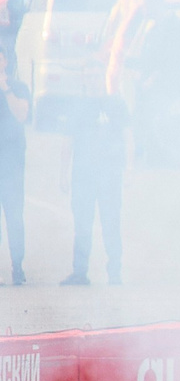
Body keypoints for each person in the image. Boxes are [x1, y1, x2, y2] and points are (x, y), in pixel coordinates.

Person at [63, 95, 127, 286]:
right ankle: (80, 273)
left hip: (110, 176)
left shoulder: (116, 103)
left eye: (96, 73)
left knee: (111, 225)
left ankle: (115, 273)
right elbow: (68, 140)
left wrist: (130, 168)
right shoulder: (78, 104)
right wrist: (63, 172)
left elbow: (127, 134)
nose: (92, 78)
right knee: (82, 226)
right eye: (88, 74)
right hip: (83, 176)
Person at [0, 54, 25, 285]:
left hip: (13, 166)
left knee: (15, 219)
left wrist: (5, 88)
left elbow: (22, 114)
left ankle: (18, 267)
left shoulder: (18, 87)